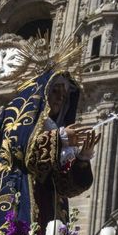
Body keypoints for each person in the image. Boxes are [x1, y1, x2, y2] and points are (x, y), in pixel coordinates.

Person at [28, 72, 99, 226]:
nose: (60, 98)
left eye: (64, 95)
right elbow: (20, 150)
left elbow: (66, 187)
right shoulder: (25, 121)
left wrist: (82, 160)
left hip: (48, 208)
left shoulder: (59, 133)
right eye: (55, 91)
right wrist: (59, 139)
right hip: (23, 194)